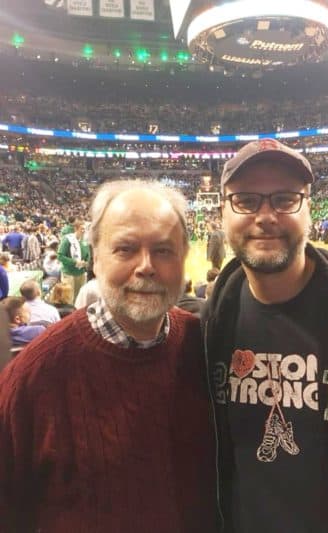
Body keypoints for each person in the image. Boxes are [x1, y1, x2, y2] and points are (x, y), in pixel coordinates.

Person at [203, 138, 328, 532]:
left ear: (308, 206)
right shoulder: (212, 323)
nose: (266, 216)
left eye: (284, 198)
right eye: (245, 200)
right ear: (222, 211)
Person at [0, 179, 216, 533]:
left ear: (183, 259)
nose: (146, 266)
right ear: (95, 258)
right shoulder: (31, 377)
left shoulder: (206, 346)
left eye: (163, 250)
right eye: (126, 249)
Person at [57, 219, 91, 304]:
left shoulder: (85, 241)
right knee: (68, 297)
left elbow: (88, 255)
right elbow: (60, 256)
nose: (83, 231)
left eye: (85, 229)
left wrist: (86, 262)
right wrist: (74, 262)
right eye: (82, 229)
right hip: (69, 273)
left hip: (81, 272)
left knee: (79, 297)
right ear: (76, 229)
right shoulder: (68, 240)